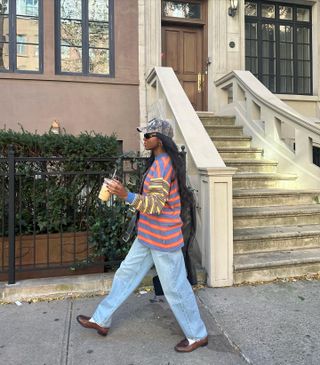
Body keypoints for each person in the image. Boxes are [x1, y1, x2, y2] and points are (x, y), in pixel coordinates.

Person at [76, 118, 208, 353]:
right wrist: (124, 192)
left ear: (161, 139)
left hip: (163, 239)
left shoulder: (163, 165)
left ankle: (197, 334)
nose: (144, 139)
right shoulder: (157, 162)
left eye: (148, 135)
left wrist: (125, 194)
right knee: (125, 275)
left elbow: (156, 205)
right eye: (144, 135)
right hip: (148, 235)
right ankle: (101, 318)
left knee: (175, 288)